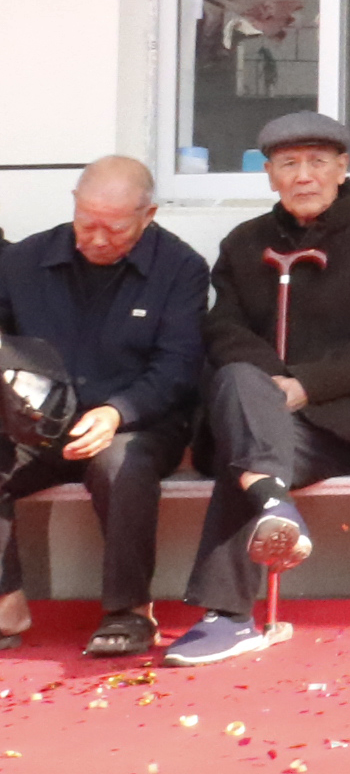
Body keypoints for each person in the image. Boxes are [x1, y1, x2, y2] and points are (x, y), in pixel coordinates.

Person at [164, 112, 350, 667]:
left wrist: (305, 385)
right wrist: (270, 388)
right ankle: (273, 505)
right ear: (269, 174)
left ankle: (227, 615)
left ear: (342, 167)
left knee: (246, 450)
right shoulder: (244, 243)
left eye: (317, 162)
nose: (303, 175)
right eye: (288, 164)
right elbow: (223, 329)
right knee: (240, 391)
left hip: (344, 424)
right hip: (255, 413)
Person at [0, 159, 210, 657]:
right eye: (86, 223)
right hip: (39, 422)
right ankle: (6, 603)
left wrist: (117, 412)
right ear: (74, 204)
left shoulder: (180, 268)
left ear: (148, 215)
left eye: (113, 229)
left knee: (121, 464)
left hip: (137, 421)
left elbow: (179, 366)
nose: (96, 239)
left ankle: (129, 611)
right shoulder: (22, 261)